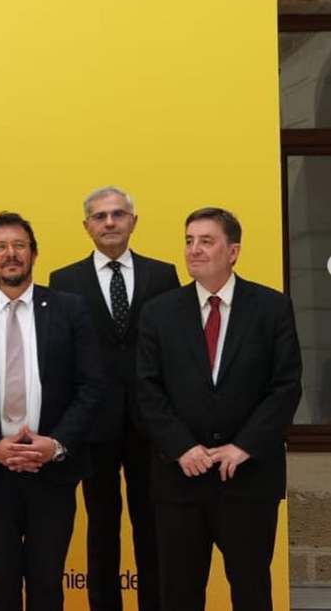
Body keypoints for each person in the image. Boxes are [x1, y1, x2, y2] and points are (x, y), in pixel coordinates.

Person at [0, 211, 103, 611]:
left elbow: (92, 385)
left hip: (53, 467)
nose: (11, 254)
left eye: (19, 246)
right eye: (0, 247)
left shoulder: (69, 309)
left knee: (47, 583)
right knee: (0, 581)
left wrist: (57, 444)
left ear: (34, 254)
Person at [137, 207, 301, 611]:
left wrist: (243, 446)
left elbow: (285, 386)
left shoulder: (271, 307)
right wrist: (181, 447)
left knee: (251, 591)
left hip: (248, 478)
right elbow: (146, 388)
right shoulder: (159, 312)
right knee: (178, 594)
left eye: (206, 241)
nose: (194, 250)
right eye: (189, 240)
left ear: (234, 251)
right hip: (180, 478)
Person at [48, 186, 178, 611]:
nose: (109, 223)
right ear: (86, 226)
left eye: (118, 214)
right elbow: (62, 359)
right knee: (101, 527)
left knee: (151, 525)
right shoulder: (64, 281)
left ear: (133, 222)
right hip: (93, 425)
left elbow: (175, 354)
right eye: (100, 216)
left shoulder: (163, 275)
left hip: (151, 424)